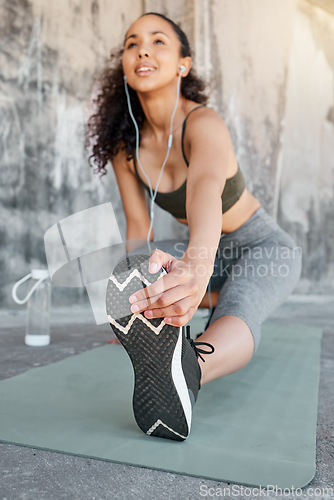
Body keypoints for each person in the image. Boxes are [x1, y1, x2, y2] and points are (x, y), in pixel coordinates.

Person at [87, 12, 302, 441]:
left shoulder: (203, 123)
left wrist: (196, 268)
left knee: (241, 303)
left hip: (261, 248)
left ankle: (189, 369)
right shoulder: (124, 148)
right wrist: (129, 305)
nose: (142, 49)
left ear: (184, 64)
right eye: (131, 43)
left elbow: (205, 192)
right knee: (142, 265)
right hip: (207, 250)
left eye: (158, 41)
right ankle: (179, 316)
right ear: (125, 68)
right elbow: (138, 225)